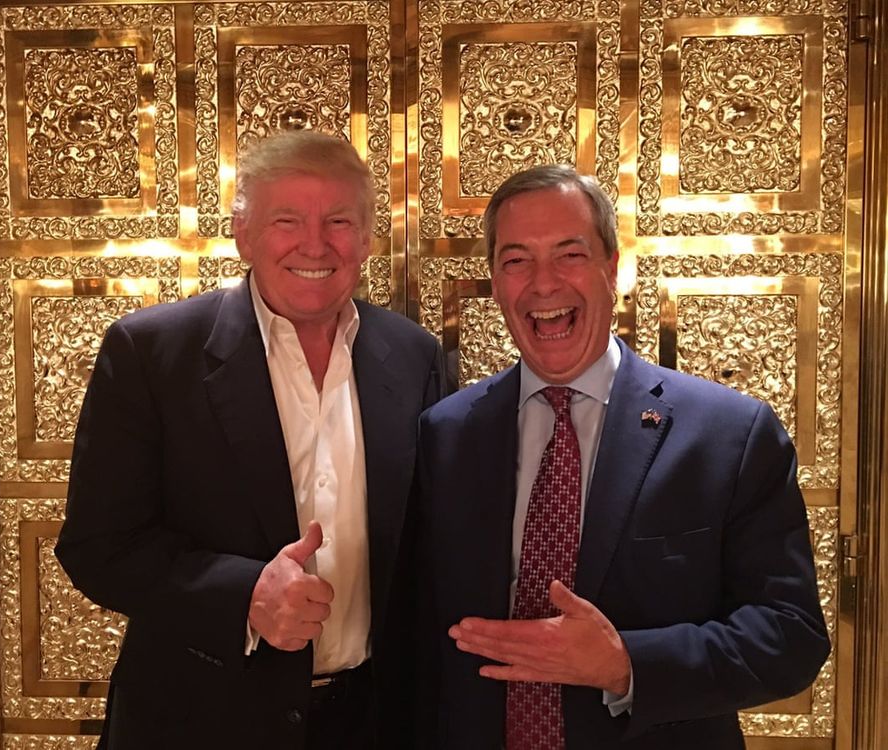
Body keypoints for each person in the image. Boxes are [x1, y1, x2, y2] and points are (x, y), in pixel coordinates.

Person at [411, 165, 830, 749]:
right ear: (495, 281)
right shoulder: (446, 433)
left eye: (569, 254)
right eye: (516, 260)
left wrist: (626, 663)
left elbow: (791, 637)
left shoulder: (729, 434)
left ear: (612, 267)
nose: (543, 283)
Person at [55, 130, 444, 749]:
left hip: (370, 723)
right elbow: (97, 548)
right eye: (287, 220)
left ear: (369, 238)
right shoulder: (152, 352)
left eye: (339, 220)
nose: (315, 244)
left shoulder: (415, 355)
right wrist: (245, 595)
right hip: (199, 723)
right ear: (243, 234)